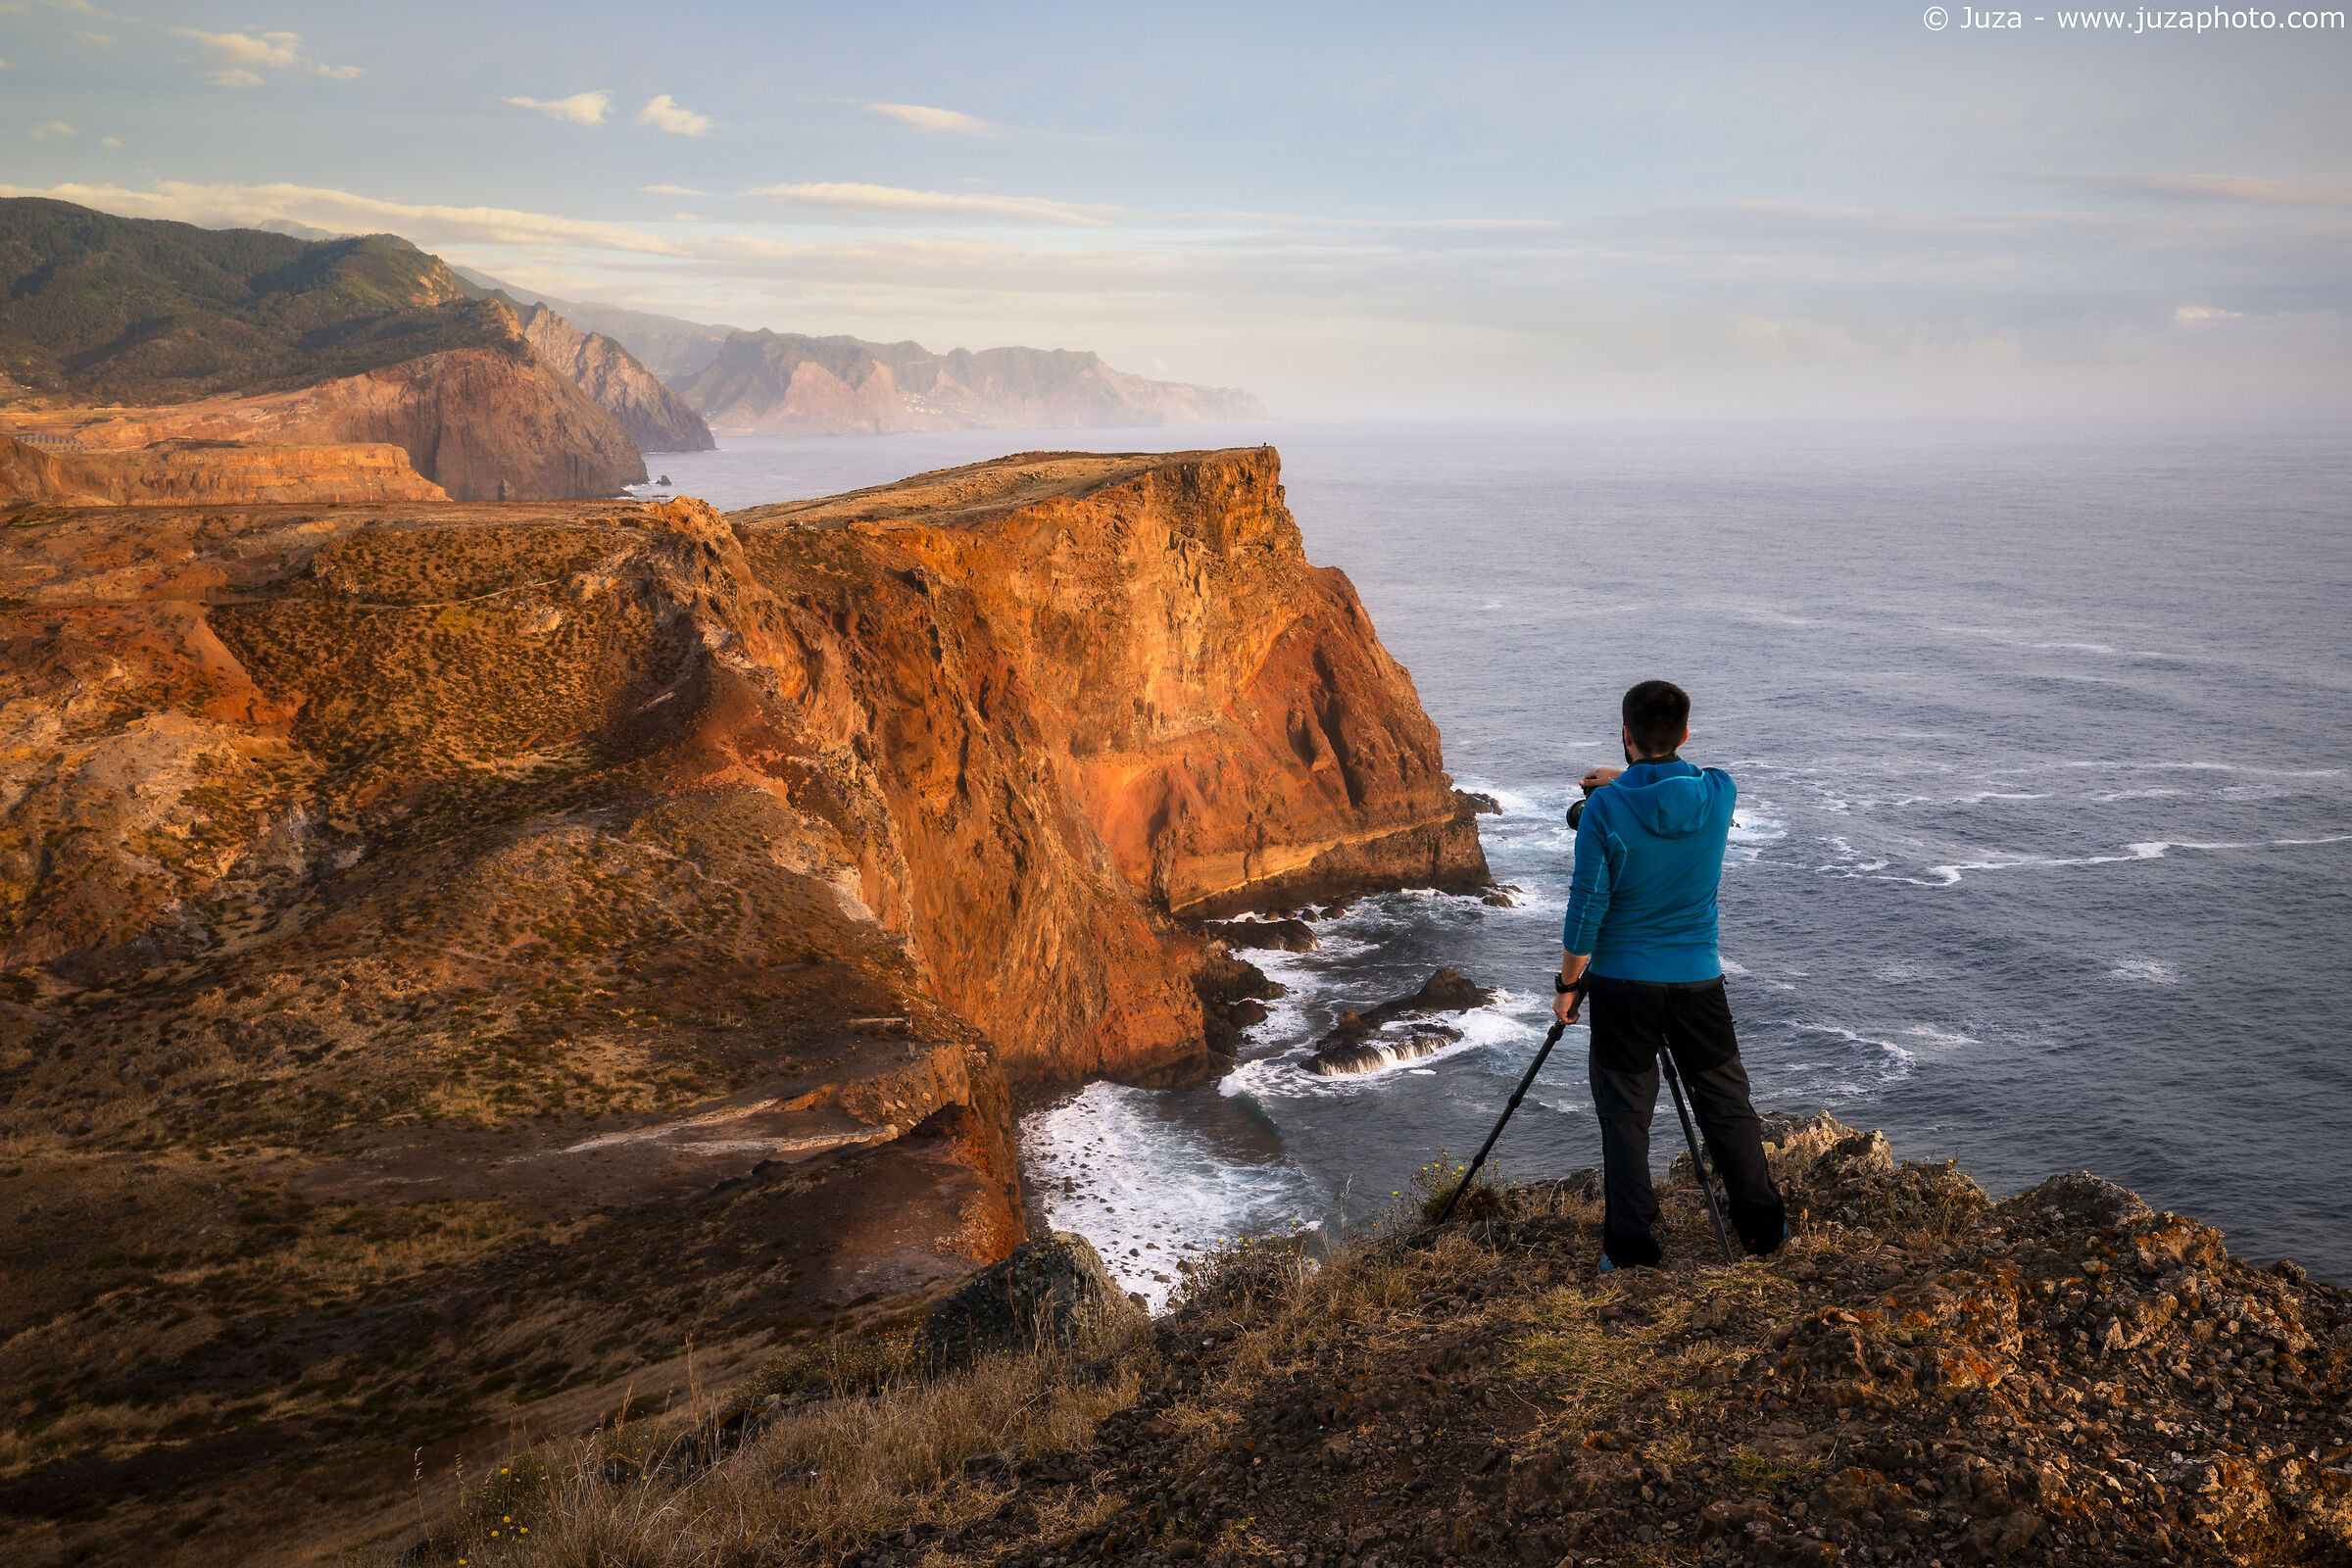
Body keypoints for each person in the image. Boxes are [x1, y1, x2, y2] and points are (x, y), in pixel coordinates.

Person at [1551, 680, 1788, 1271]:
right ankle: (1763, 1229)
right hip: (1697, 983)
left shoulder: (1604, 810)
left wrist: (1566, 986)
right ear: (1684, 734)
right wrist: (1629, 774)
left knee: (1626, 1117)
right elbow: (1678, 787)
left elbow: (1587, 906)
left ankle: (1631, 1249)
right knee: (1727, 1107)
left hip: (1623, 988)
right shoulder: (1719, 792)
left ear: (1626, 733)